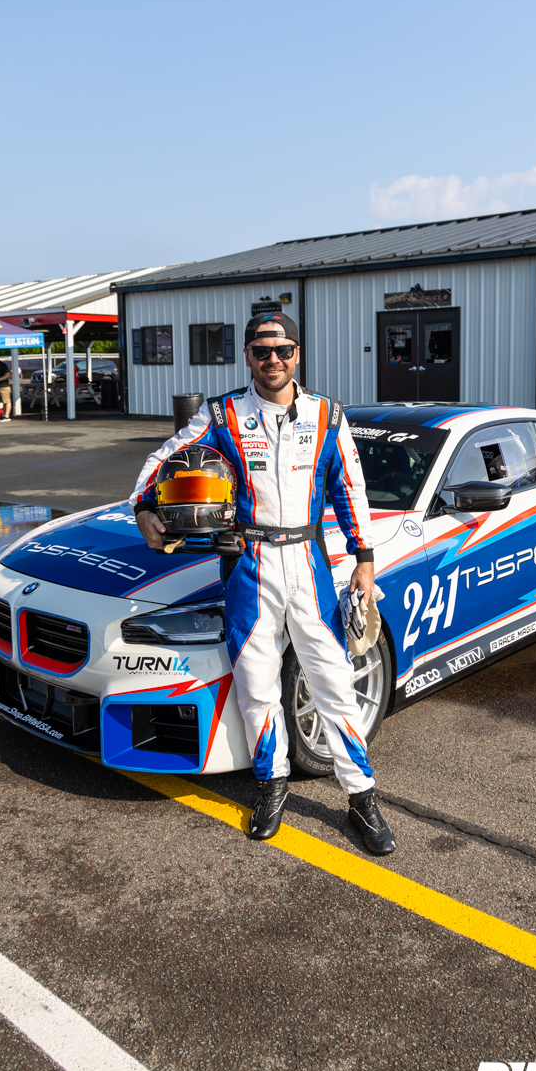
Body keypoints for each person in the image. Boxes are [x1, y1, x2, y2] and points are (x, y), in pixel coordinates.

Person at [130, 312, 396, 855]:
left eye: (283, 350)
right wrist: (143, 508)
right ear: (248, 357)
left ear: (298, 353)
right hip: (247, 565)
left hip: (308, 562)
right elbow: (163, 460)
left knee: (333, 682)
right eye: (261, 351)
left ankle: (361, 795)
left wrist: (365, 560)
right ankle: (272, 784)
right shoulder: (221, 413)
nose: (273, 360)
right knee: (256, 687)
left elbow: (350, 488)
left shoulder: (328, 415)